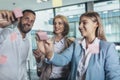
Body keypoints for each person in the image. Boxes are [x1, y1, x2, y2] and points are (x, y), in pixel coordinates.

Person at [37, 11, 120, 80]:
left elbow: (113, 76)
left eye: (84, 23)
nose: (80, 26)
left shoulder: (107, 48)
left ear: (96, 24)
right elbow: (63, 59)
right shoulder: (77, 44)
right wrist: (48, 53)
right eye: (80, 23)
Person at [33, 15, 74, 80]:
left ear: (65, 26)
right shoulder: (47, 42)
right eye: (54, 23)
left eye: (60, 23)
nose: (56, 26)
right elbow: (40, 69)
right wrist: (38, 60)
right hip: (48, 78)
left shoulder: (71, 43)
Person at [0, 9, 36, 80]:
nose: (29, 23)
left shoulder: (27, 42)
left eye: (32, 21)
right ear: (19, 19)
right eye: (27, 19)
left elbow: (23, 65)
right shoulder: (7, 33)